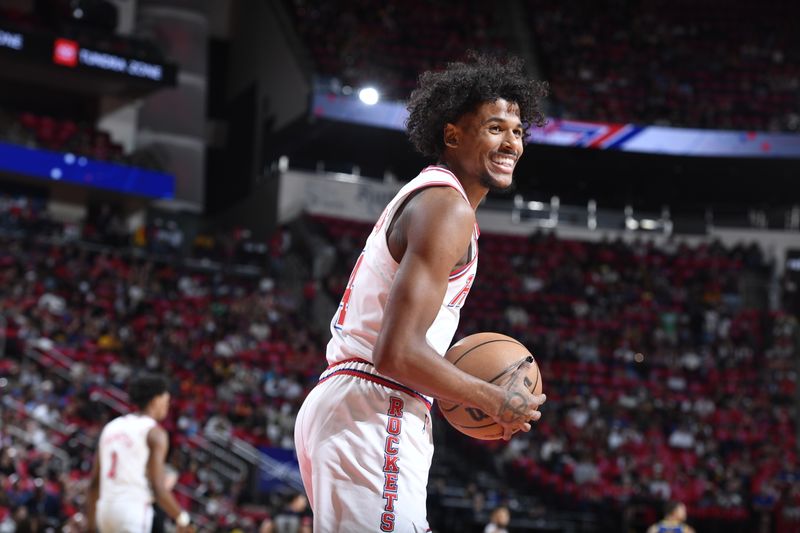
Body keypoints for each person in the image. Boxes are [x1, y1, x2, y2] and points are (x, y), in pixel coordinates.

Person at [294, 52, 548, 532]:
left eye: (517, 131)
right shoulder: (446, 207)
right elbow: (397, 352)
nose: (511, 142)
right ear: (452, 135)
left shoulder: (433, 198)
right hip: (377, 404)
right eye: (495, 128)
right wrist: (491, 399)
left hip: (356, 402)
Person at [86, 373, 194, 533]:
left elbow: (94, 482)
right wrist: (182, 518)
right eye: (166, 401)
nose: (167, 406)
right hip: (132, 510)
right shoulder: (154, 433)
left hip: (105, 510)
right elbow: (158, 488)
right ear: (156, 400)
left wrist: (90, 525)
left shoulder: (111, 427)